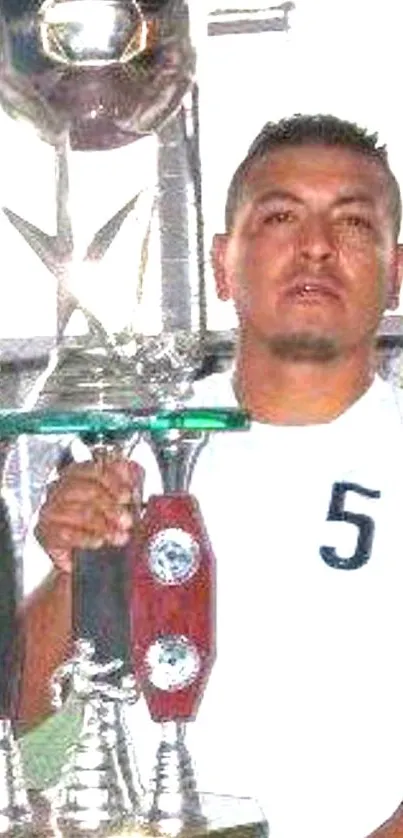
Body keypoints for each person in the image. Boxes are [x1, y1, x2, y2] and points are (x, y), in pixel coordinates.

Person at [16, 113, 403, 838]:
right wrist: (75, 571)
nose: (316, 246)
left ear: (395, 273)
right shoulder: (123, 449)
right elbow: (24, 716)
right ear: (222, 265)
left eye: (352, 223)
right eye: (280, 216)